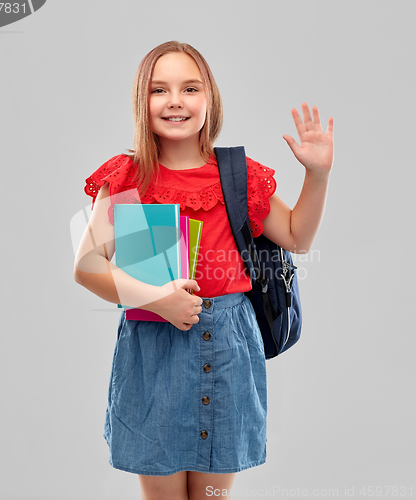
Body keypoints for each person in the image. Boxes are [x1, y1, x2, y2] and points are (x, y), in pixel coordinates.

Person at [73, 40, 334, 500]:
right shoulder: (130, 177)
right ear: (142, 101)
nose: (175, 100)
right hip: (154, 350)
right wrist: (159, 299)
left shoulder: (238, 175)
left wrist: (317, 175)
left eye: (189, 88)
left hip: (228, 347)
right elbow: (88, 266)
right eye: (160, 90)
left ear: (209, 98)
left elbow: (297, 236)